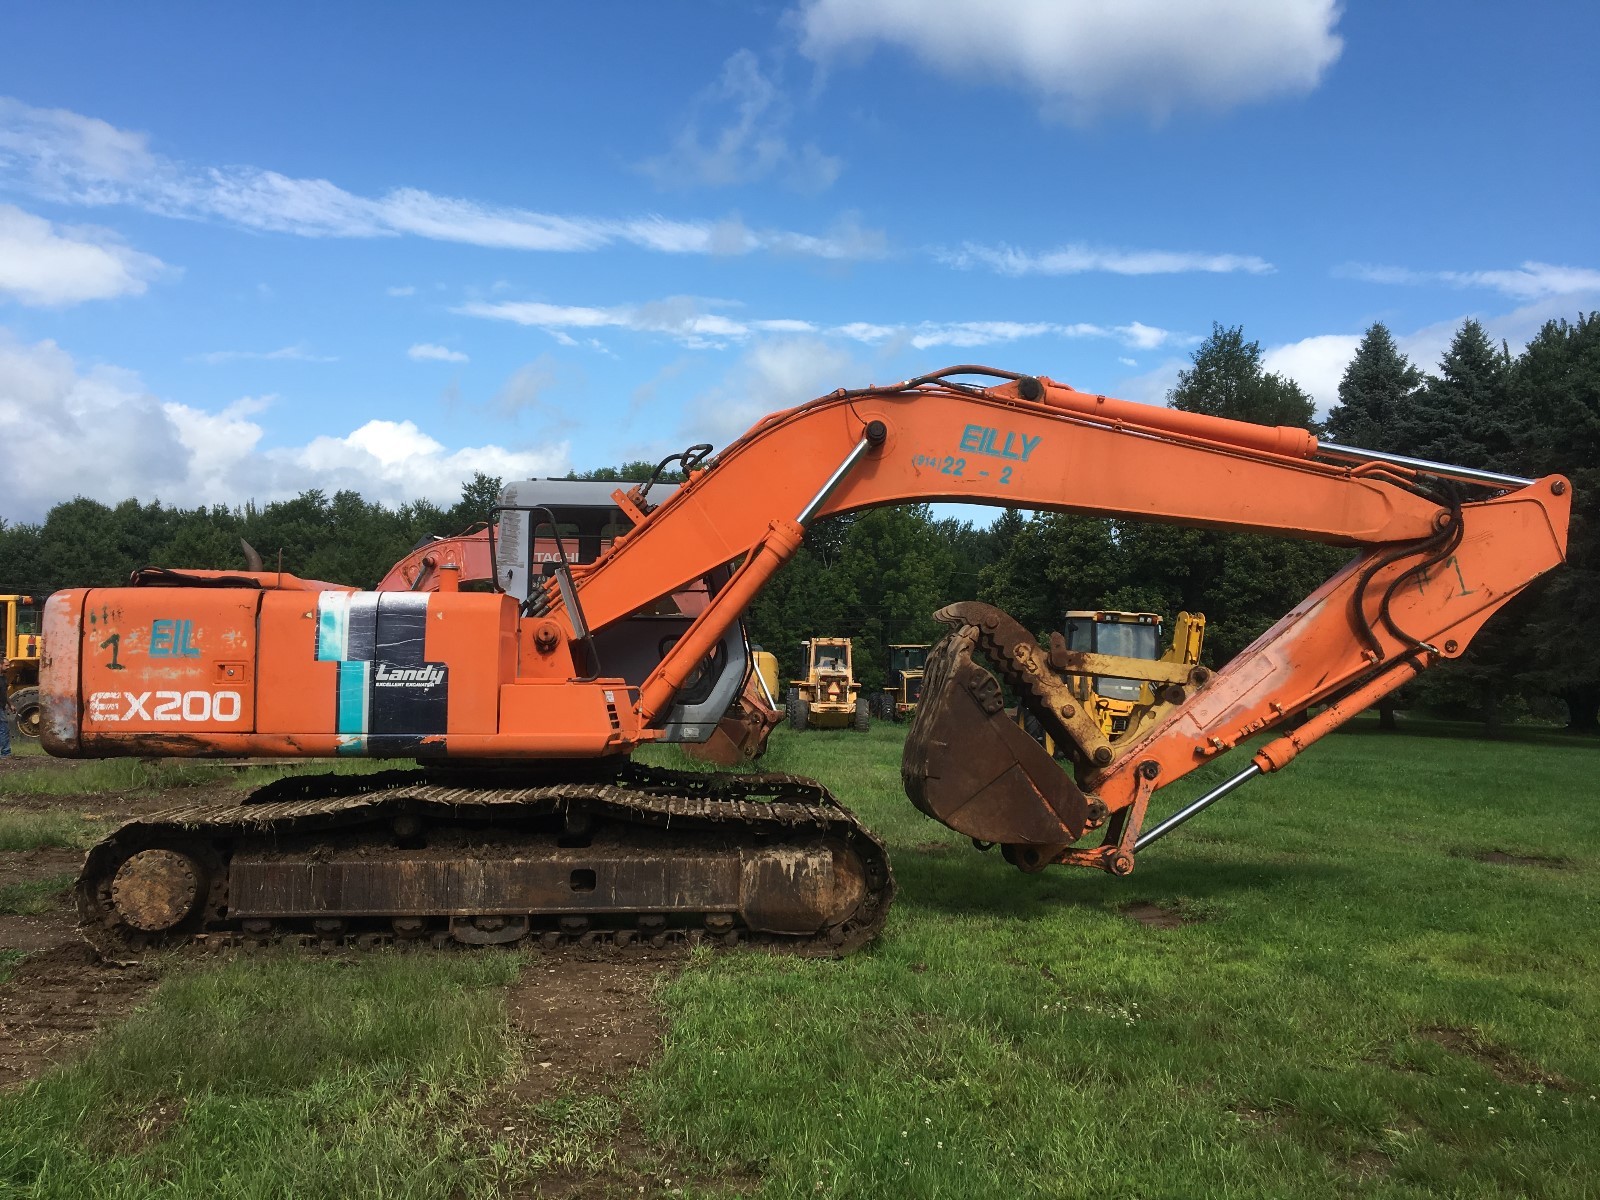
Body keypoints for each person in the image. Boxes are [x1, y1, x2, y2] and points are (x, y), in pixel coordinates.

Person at [0, 656, 10, 757]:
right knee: (4, 729)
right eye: (6, 665)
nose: (9, 667)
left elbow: (4, 693)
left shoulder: (4, 678)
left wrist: (10, 705)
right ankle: (5, 753)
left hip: (2, 707)